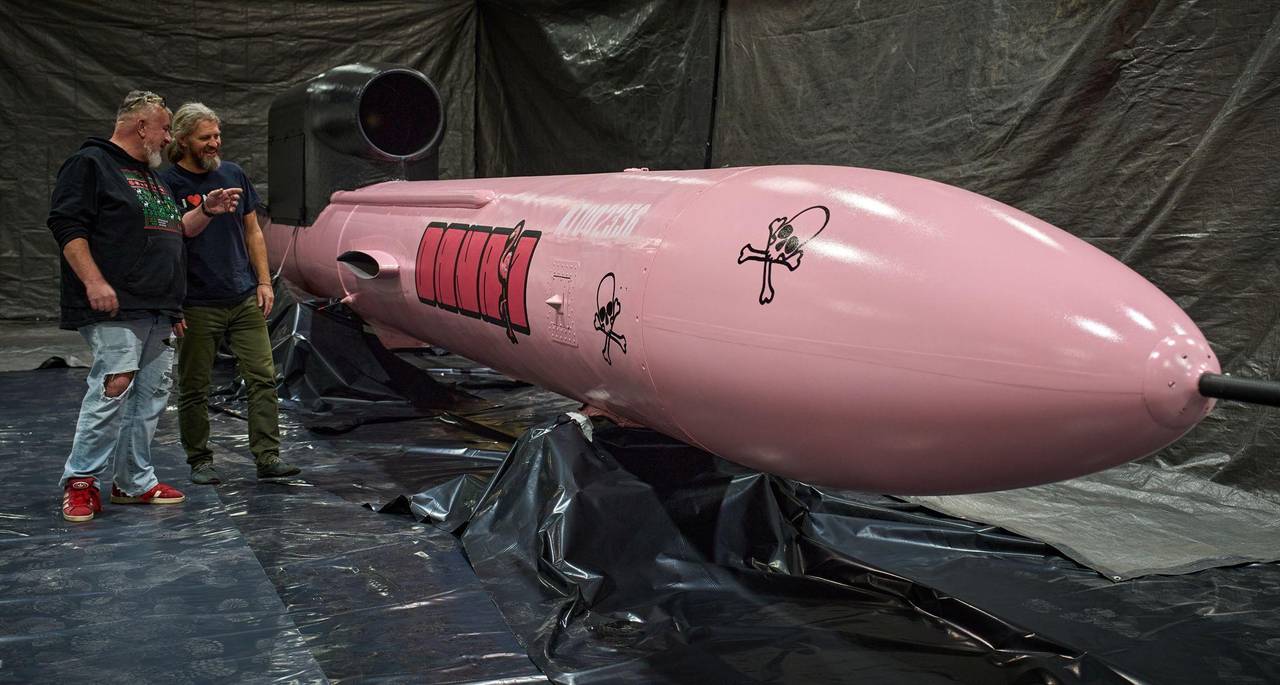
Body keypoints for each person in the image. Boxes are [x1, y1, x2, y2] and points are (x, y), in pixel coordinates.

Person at [48, 91, 243, 522]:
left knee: (152, 394)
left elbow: (175, 230)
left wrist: (207, 211)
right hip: (117, 303)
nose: (168, 138)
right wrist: (94, 281)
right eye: (165, 128)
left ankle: (133, 481)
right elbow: (66, 225)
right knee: (114, 385)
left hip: (159, 306)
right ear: (141, 126)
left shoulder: (151, 178)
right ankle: (81, 480)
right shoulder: (91, 163)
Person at [160, 102, 300, 485]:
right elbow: (173, 237)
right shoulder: (168, 183)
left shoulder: (233, 173)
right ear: (183, 140)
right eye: (205, 137)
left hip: (242, 297)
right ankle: (199, 460)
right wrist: (173, 303)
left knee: (263, 377)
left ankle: (268, 456)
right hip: (196, 301)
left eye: (217, 135)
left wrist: (264, 281)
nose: (214, 143)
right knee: (195, 385)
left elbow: (253, 231)